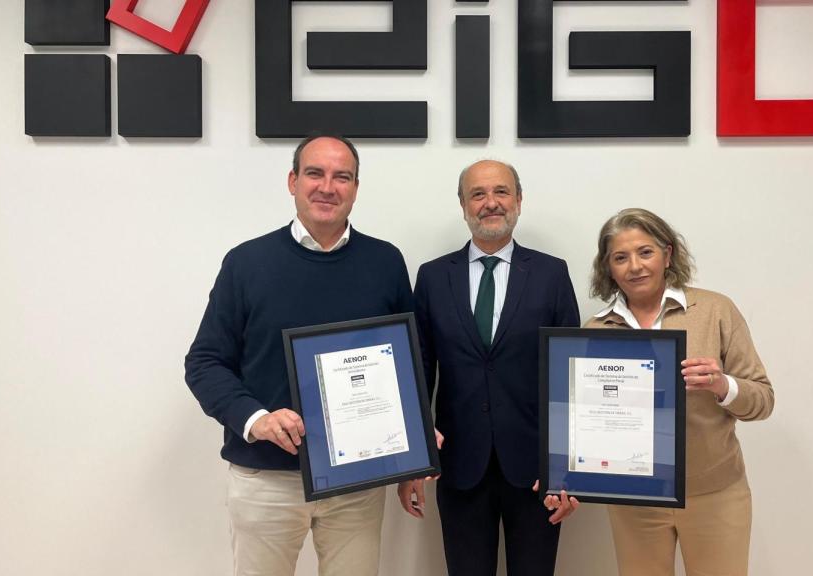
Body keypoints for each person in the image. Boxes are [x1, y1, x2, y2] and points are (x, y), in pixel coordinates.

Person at [184, 135, 414, 576]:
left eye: (341, 177)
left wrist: (413, 443)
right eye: (314, 173)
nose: (327, 187)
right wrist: (256, 419)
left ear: (356, 188)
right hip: (267, 480)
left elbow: (408, 360)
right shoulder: (246, 262)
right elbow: (205, 362)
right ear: (293, 181)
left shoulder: (385, 262)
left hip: (358, 482)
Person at [398, 160, 580, 575]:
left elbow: (570, 373)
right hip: (460, 465)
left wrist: (565, 467)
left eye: (501, 191)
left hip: (536, 470)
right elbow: (419, 370)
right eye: (478, 194)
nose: (490, 202)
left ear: (519, 200)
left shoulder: (551, 273)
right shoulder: (432, 277)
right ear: (463, 204)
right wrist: (412, 462)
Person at [585, 208, 774, 576]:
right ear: (608, 268)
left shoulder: (716, 310)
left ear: (667, 254)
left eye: (645, 252)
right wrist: (567, 475)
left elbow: (763, 400)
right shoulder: (595, 330)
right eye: (620, 257)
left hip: (714, 493)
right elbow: (585, 419)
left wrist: (722, 385)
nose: (635, 266)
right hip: (633, 499)